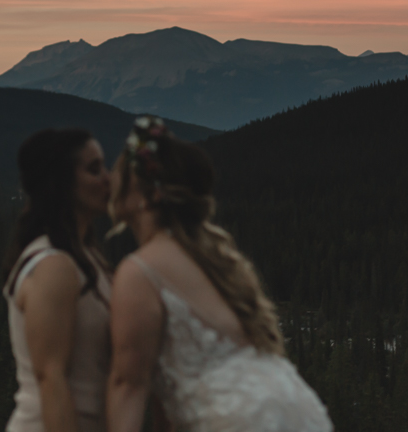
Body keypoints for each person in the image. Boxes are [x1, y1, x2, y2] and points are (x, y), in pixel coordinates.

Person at [106, 117, 333, 432]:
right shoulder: (215, 259)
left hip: (237, 419)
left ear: (151, 194)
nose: (112, 176)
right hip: (297, 407)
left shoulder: (140, 271)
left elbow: (128, 385)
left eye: (122, 170)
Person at [2, 128, 113, 432]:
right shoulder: (54, 265)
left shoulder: (87, 258)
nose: (108, 179)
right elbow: (51, 378)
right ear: (61, 183)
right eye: (94, 169)